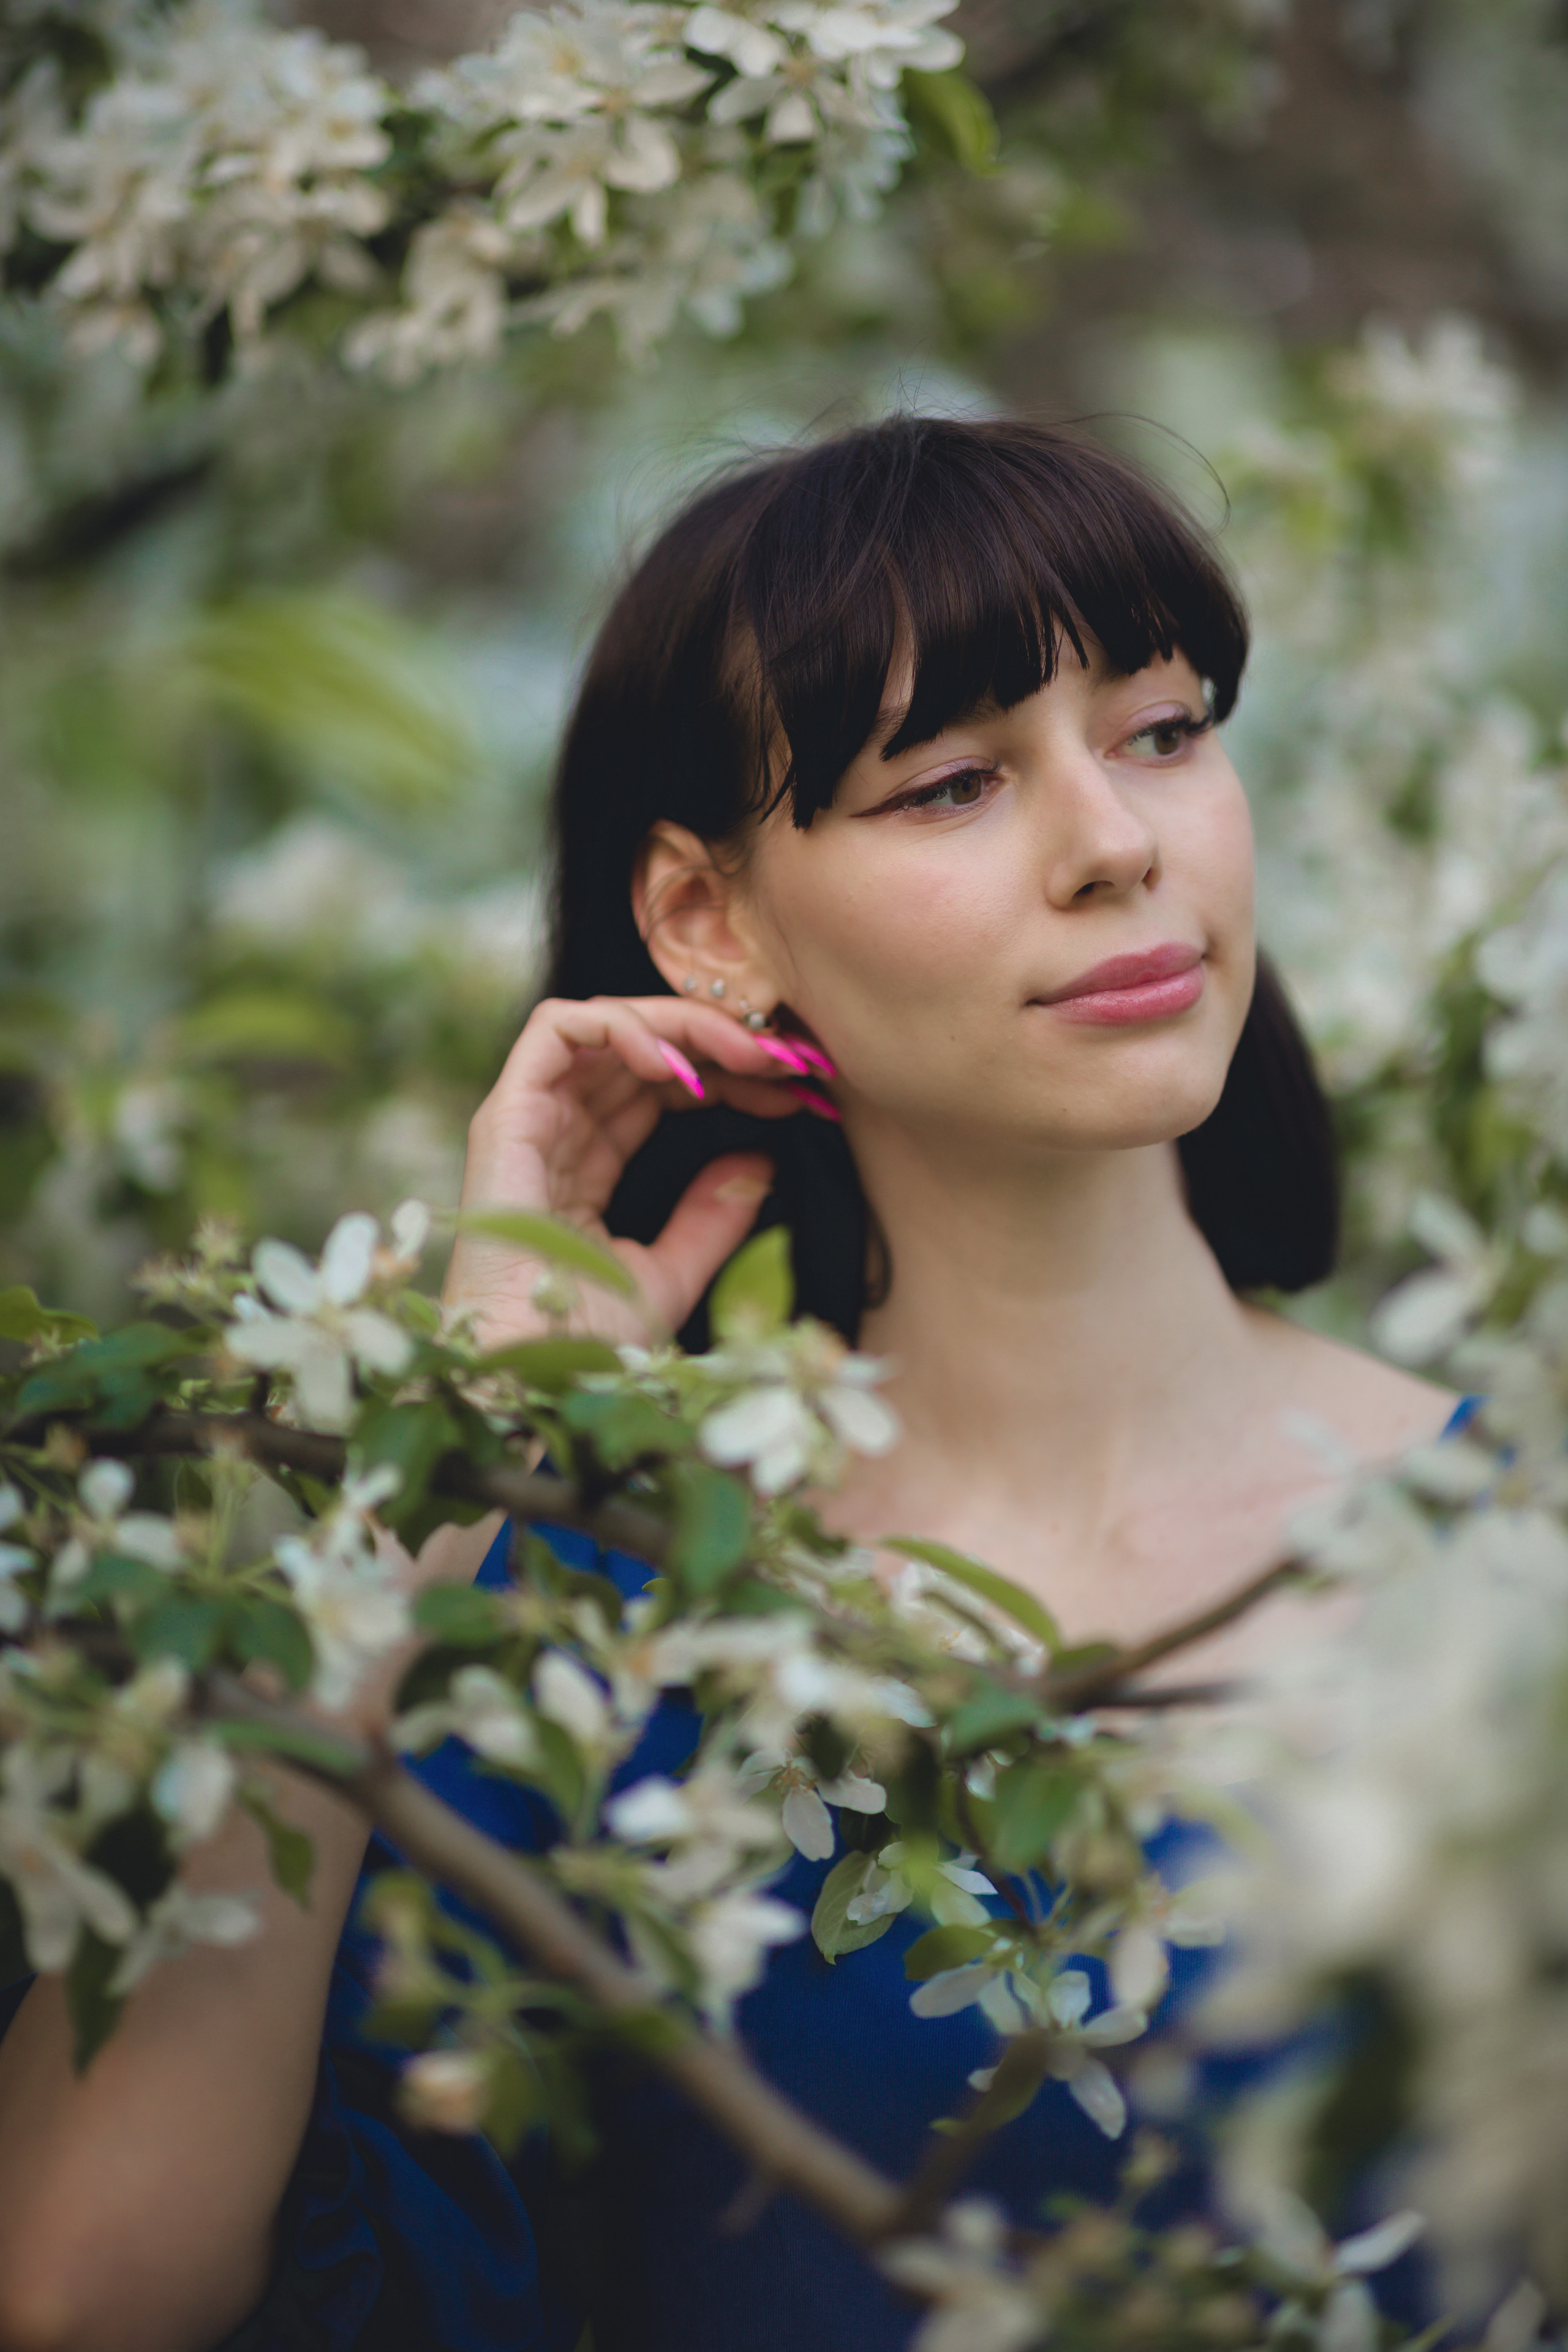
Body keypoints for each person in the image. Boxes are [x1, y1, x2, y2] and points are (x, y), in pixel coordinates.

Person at [0, 417, 1457, 2352]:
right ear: (707, 920)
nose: (1117, 842)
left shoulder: (1504, 1544)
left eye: (1165, 729)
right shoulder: (589, 1621)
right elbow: (80, 2292)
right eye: (951, 782)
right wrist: (434, 1479)